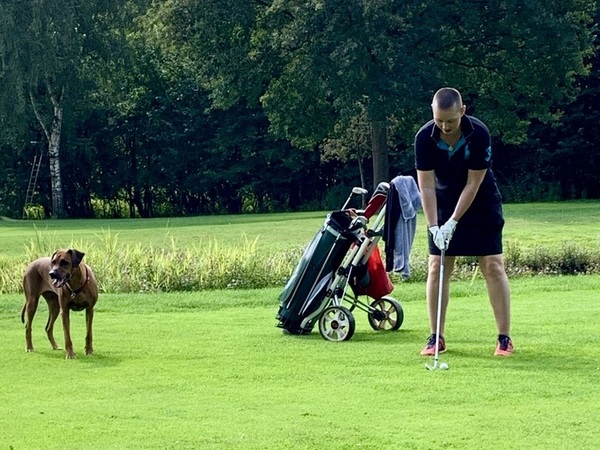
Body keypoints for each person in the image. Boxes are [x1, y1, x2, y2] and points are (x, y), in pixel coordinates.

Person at [414, 87, 513, 357]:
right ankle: (436, 337)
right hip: (442, 202)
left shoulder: (478, 133)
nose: (445, 126)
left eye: (451, 120)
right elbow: (427, 187)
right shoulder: (424, 138)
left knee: (492, 265)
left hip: (481, 202)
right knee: (437, 266)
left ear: (462, 111)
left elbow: (473, 183)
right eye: (439, 121)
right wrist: (435, 225)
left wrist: (454, 222)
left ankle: (504, 339)